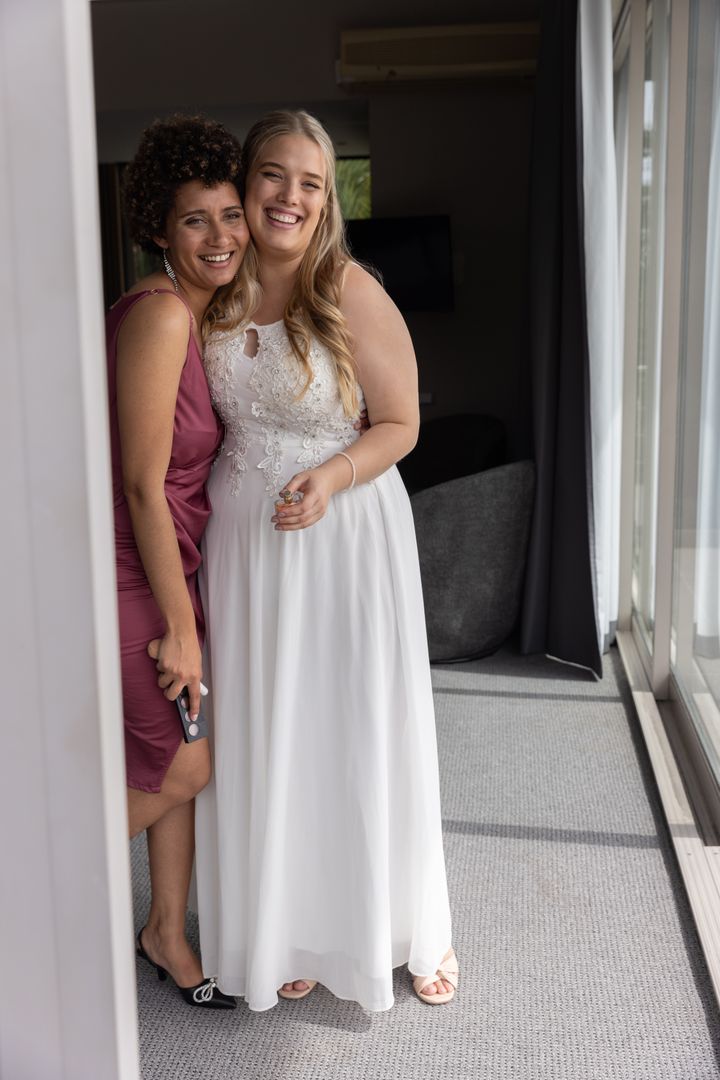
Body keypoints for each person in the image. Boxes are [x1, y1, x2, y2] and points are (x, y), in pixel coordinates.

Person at [195, 109, 458, 1011]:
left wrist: (332, 474)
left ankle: (400, 921)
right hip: (242, 554)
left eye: (311, 182)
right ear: (246, 178)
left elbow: (402, 424)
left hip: (342, 536)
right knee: (274, 733)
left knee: (352, 727)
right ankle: (294, 922)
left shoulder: (348, 287)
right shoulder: (215, 292)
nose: (291, 197)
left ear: (329, 196)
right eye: (275, 175)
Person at [107, 114, 254, 1008]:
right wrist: (178, 626)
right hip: (133, 577)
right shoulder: (160, 315)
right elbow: (139, 485)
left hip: (173, 570)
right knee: (184, 765)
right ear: (160, 229)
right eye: (195, 219)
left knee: (178, 759)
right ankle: (37, 898)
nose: (221, 236)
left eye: (231, 214)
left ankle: (164, 930)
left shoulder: (199, 317)